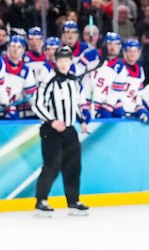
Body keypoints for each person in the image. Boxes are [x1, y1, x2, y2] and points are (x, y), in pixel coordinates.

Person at [32, 45, 90, 216]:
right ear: (55, 61)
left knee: (73, 165)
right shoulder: (49, 80)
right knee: (52, 165)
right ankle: (41, 200)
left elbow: (76, 104)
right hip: (51, 130)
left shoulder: (73, 81)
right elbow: (37, 104)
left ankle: (73, 201)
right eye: (60, 60)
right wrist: (52, 120)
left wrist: (82, 120)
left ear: (71, 61)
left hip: (70, 129)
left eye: (66, 60)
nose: (64, 64)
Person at [0, 34, 37, 118]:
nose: (15, 50)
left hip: (12, 109)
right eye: (13, 46)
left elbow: (31, 96)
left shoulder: (26, 71)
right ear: (8, 48)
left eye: (19, 47)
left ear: (24, 50)